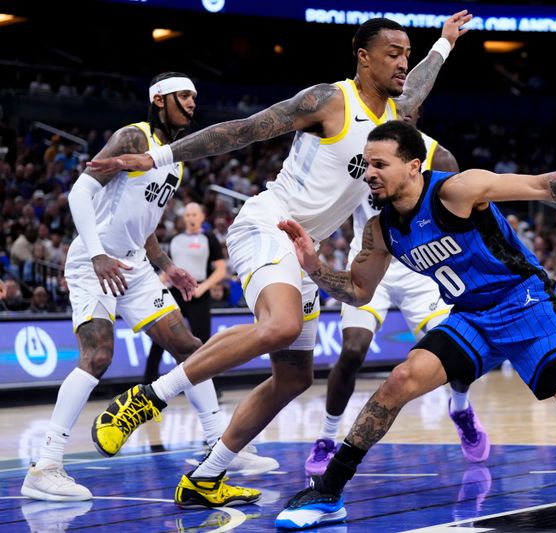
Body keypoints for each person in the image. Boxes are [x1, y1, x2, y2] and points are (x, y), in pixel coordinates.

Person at [87, 13, 473, 508]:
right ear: (363, 57)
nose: (403, 63)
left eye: (406, 53)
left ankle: (205, 478)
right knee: (282, 326)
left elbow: (417, 85)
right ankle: (145, 400)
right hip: (268, 222)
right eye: (393, 53)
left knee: (293, 377)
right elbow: (245, 130)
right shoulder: (329, 100)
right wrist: (160, 158)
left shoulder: (395, 117)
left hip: (302, 247)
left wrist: (442, 45)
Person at [274, 121, 556, 529]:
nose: (369, 172)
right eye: (366, 165)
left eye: (379, 163)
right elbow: (358, 291)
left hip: (526, 304)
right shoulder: (382, 230)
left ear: (413, 166)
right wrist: (314, 266)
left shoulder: (456, 191)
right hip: (471, 316)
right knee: (400, 380)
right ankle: (329, 491)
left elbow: (538, 186)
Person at [21, 73, 275, 503]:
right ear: (160, 100)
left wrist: (165, 264)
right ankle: (45, 466)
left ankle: (218, 442)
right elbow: (79, 194)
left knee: (189, 347)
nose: (193, 103)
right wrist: (100, 254)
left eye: (195, 96)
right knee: (98, 354)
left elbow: (144, 221)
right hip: (92, 261)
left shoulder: (172, 158)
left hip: (136, 265)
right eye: (184, 96)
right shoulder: (130, 138)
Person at [305, 106, 489, 476]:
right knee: (353, 351)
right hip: (372, 264)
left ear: (419, 114)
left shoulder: (438, 155)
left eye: (410, 108)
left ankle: (460, 407)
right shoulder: (359, 150)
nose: (401, 111)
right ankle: (326, 437)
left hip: (422, 267)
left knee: (455, 357)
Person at [144, 202, 228, 384]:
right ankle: (147, 383)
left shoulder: (209, 238)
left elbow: (221, 270)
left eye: (194, 214)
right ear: (184, 218)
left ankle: (208, 386)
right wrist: (155, 285)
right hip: (175, 293)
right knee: (161, 339)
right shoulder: (174, 239)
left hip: (199, 294)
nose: (191, 218)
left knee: (202, 343)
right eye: (188, 215)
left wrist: (203, 287)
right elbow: (168, 270)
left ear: (202, 217)